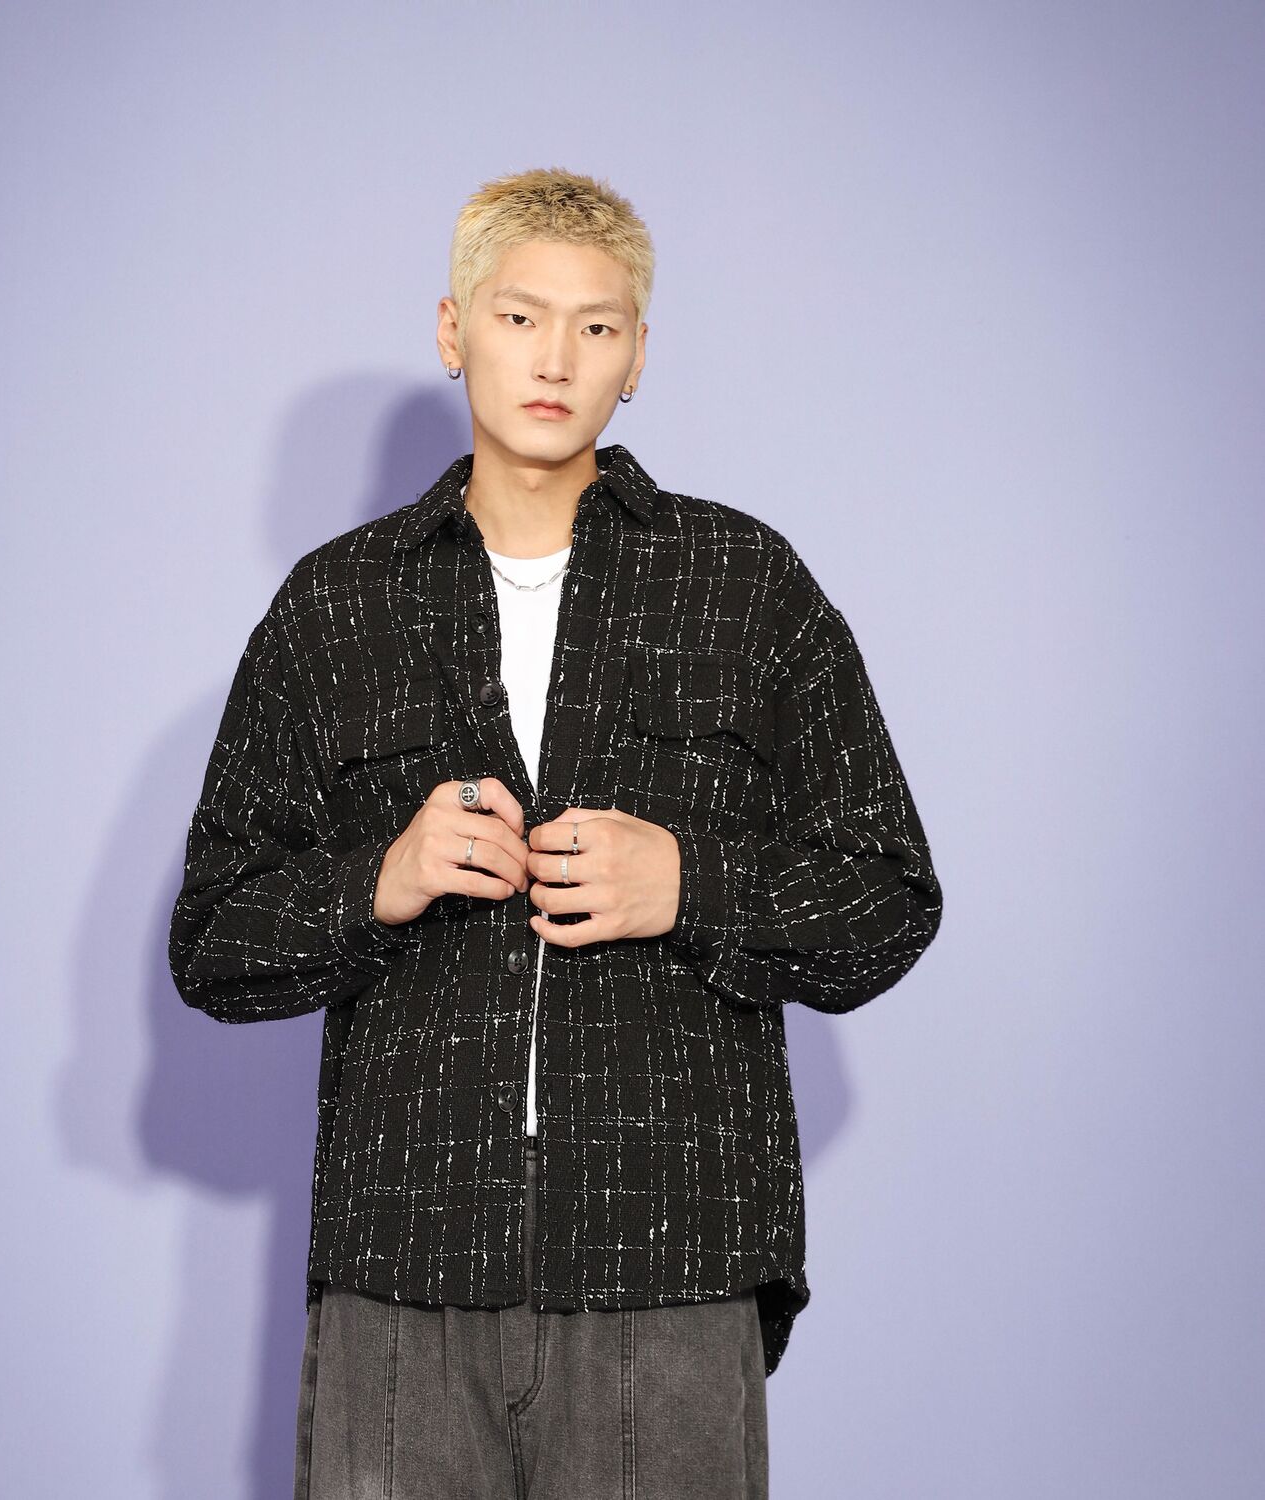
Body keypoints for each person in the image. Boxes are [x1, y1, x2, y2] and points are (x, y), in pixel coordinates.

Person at [168, 166, 942, 1499]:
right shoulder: (339, 604)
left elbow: (887, 895)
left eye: (597, 326)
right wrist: (381, 878)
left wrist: (691, 883)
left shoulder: (743, 584)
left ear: (638, 357)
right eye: (520, 317)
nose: (555, 359)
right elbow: (214, 941)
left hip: (670, 1267)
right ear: (452, 329)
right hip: (404, 1272)